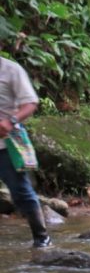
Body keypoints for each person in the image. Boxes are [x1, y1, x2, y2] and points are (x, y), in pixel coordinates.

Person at [0, 56, 51, 247]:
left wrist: (11, 121)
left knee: (21, 192)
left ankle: (42, 237)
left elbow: (30, 103)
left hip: (7, 145)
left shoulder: (11, 70)